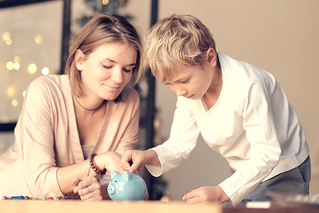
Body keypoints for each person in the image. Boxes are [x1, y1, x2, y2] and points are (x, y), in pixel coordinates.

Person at [121, 14, 310, 206]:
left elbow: (267, 153)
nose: (179, 91)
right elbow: (180, 143)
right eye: (170, 83)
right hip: (245, 171)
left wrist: (221, 192)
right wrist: (148, 156)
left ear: (210, 58)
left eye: (184, 80)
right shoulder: (189, 93)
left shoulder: (247, 86)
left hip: (282, 169)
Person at [0, 12, 144, 201]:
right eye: (108, 66)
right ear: (80, 60)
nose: (119, 79)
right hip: (17, 201)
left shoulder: (129, 101)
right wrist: (101, 161)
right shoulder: (44, 92)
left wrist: (99, 191)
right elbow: (39, 183)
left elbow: (120, 179)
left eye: (128, 69)